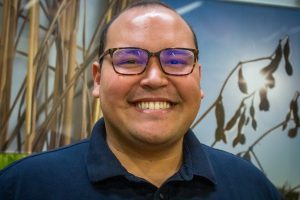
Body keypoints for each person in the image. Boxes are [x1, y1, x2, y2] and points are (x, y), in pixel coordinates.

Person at [0, 0, 283, 199]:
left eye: (176, 60)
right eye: (130, 59)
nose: (154, 79)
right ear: (97, 79)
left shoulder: (252, 188)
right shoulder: (23, 187)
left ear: (198, 79)